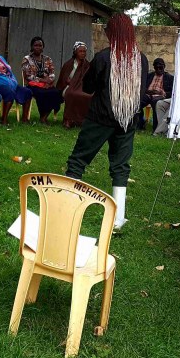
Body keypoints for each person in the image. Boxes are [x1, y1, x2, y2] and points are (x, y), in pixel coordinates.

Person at [65, 13, 149, 229]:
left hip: (100, 118)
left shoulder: (103, 58)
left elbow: (88, 87)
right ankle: (119, 218)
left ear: (112, 33)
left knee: (78, 160)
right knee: (121, 166)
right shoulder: (141, 59)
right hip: (127, 121)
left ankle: (68, 207)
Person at [0, 37, 32, 125]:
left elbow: (9, 71)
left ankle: (25, 118)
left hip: (10, 83)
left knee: (28, 92)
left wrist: (13, 82)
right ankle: (4, 119)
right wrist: (5, 82)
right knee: (8, 92)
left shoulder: (0, 58)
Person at [21, 36, 63, 124]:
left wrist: (49, 81)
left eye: (40, 45)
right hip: (33, 84)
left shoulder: (48, 59)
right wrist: (42, 80)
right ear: (32, 47)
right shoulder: (27, 59)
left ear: (43, 47)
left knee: (56, 92)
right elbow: (28, 76)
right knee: (42, 93)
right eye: (36, 45)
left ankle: (44, 117)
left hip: (47, 84)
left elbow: (52, 73)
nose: (38, 47)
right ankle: (42, 115)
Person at [56, 41, 92, 128]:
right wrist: (69, 81)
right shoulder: (68, 64)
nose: (83, 53)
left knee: (87, 96)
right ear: (75, 52)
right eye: (80, 51)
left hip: (82, 87)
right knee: (72, 94)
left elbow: (90, 79)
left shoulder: (88, 65)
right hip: (68, 86)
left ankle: (82, 121)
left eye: (84, 51)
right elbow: (63, 79)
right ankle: (68, 120)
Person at [140, 58, 174, 131]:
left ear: (164, 66)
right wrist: (150, 91)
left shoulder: (169, 77)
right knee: (137, 102)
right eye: (156, 67)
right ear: (154, 67)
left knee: (156, 102)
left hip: (160, 96)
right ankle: (140, 124)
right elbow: (142, 87)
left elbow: (172, 92)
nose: (158, 69)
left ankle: (156, 128)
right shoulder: (149, 75)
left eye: (160, 67)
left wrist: (163, 93)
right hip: (148, 94)